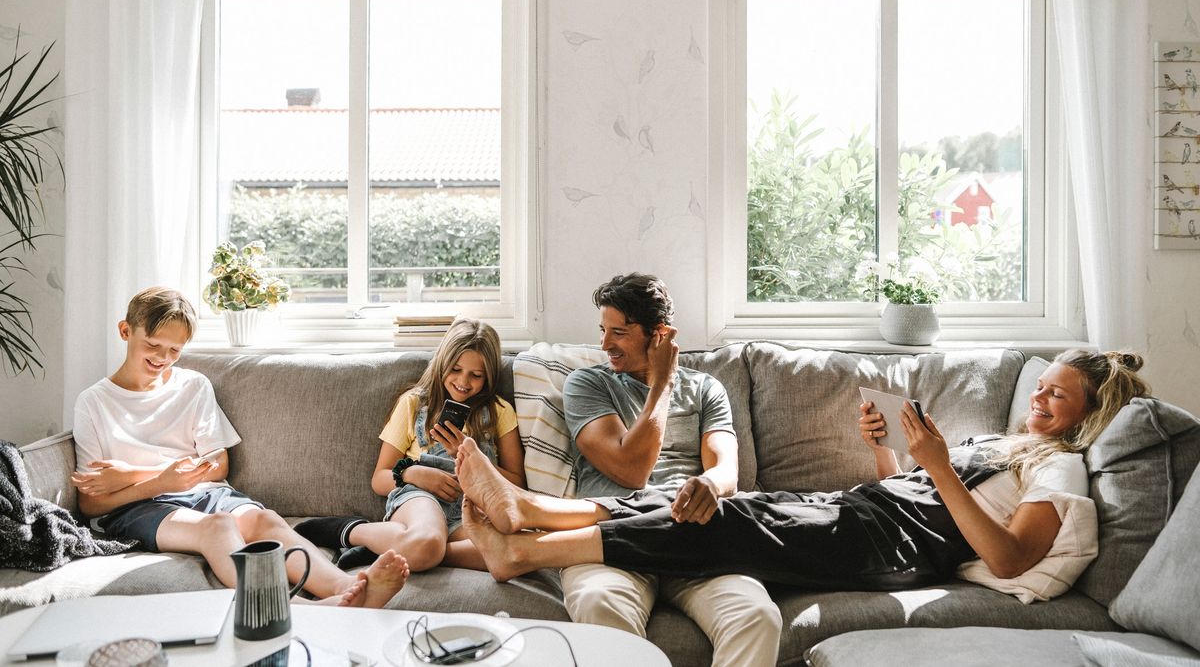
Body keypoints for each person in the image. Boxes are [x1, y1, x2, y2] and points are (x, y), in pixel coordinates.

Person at [454, 349, 1148, 595]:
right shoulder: (1011, 444)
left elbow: (1007, 557)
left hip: (883, 548)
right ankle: (528, 520)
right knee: (697, 504)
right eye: (1041, 386)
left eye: (1057, 395)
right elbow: (926, 493)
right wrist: (890, 454)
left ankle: (523, 540)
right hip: (867, 512)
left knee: (712, 520)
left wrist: (935, 465)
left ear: (1087, 416)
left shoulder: (1061, 471)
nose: (1039, 398)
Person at [70, 287, 409, 608]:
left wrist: (137, 473)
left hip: (206, 492)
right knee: (219, 527)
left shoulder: (193, 385)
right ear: (125, 331)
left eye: (174, 350)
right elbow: (91, 503)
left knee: (266, 520)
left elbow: (217, 465)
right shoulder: (94, 403)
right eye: (153, 344)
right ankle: (296, 608)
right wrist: (161, 483)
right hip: (138, 509)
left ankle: (347, 590)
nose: (162, 358)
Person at [552, 273, 781, 667]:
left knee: (757, 616)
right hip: (615, 537)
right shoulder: (587, 384)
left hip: (690, 535)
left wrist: (709, 483)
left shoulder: (707, 388)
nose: (605, 344)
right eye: (603, 330)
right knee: (597, 602)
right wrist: (662, 384)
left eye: (619, 333)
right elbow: (631, 471)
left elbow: (727, 470)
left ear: (659, 335)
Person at [296, 317, 525, 572]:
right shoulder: (414, 404)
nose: (464, 381)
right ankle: (354, 531)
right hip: (421, 496)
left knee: (514, 552)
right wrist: (414, 473)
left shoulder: (499, 412)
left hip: (472, 507)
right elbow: (380, 478)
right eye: (456, 369)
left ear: (489, 376)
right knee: (427, 543)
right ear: (442, 364)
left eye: (476, 375)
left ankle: (392, 545)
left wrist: (470, 459)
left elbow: (517, 483)